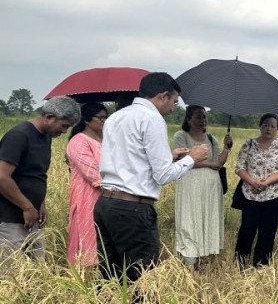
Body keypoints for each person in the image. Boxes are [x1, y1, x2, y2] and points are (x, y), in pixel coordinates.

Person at [95, 73, 209, 281]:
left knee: (110, 277)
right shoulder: (152, 118)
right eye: (174, 101)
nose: (174, 107)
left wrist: (170, 157)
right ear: (163, 96)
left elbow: (128, 158)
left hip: (105, 204)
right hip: (133, 208)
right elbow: (163, 175)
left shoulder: (116, 116)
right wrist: (192, 158)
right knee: (143, 279)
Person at [0, 96, 81, 259]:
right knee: (12, 270)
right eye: (64, 126)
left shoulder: (46, 137)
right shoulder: (19, 136)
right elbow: (2, 176)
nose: (64, 131)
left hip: (32, 216)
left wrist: (40, 204)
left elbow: (37, 175)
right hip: (10, 218)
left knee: (37, 266)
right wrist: (27, 207)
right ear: (49, 117)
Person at [172, 105, 231, 267]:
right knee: (190, 217)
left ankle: (204, 255)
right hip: (190, 184)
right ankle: (190, 257)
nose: (202, 120)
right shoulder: (181, 136)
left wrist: (227, 147)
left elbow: (219, 162)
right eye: (198, 117)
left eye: (204, 117)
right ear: (189, 119)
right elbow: (184, 161)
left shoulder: (211, 138)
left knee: (207, 216)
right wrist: (208, 165)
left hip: (211, 186)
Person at [234, 113, 278, 267]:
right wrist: (252, 181)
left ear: (277, 129)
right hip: (250, 194)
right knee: (247, 230)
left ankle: (261, 266)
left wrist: (266, 182)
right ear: (260, 126)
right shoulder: (249, 144)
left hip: (274, 195)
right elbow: (240, 167)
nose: (268, 129)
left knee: (268, 232)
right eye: (265, 125)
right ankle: (240, 263)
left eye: (272, 126)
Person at [65, 102, 108, 267]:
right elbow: (92, 173)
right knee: (87, 237)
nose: (104, 121)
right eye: (100, 117)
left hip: (108, 196)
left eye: (106, 117)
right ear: (87, 120)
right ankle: (84, 281)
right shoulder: (78, 141)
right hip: (87, 197)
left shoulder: (107, 139)